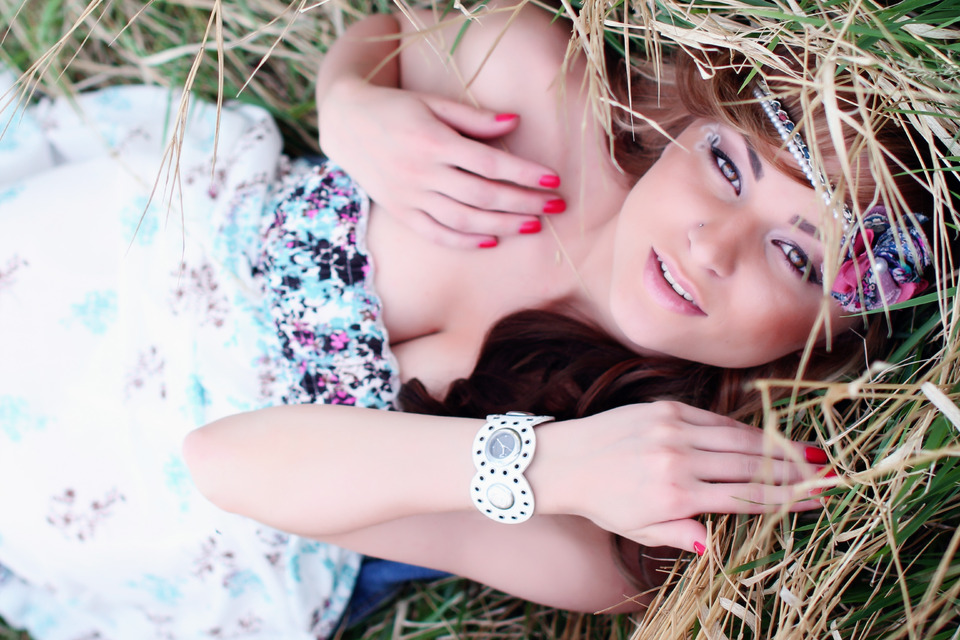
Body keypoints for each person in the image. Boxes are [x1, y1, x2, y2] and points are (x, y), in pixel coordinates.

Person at [0, 1, 935, 638]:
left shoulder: (619, 506)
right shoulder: (531, 85)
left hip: (129, 489)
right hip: (104, 251)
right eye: (729, 168)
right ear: (687, 127)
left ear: (836, 339)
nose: (713, 245)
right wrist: (350, 105)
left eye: (798, 256)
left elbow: (220, 462)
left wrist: (546, 462)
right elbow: (389, 27)